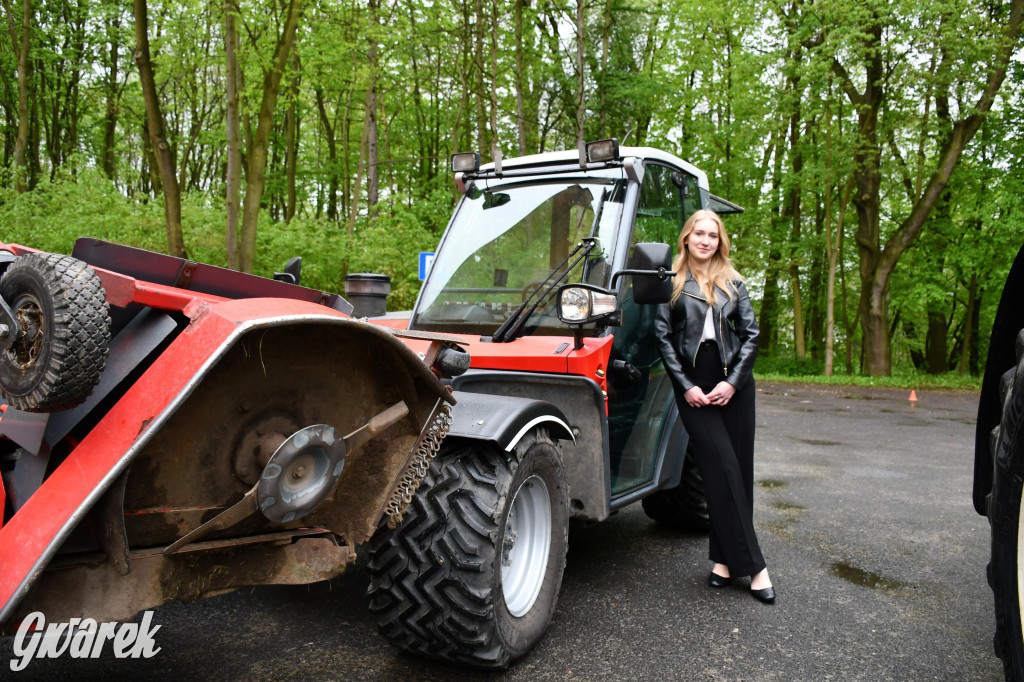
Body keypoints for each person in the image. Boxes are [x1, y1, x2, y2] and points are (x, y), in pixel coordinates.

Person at [654, 209, 775, 604]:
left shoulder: (734, 281)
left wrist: (733, 382)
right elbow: (663, 340)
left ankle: (723, 561)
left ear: (719, 241)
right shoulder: (670, 282)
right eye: (699, 233)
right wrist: (686, 386)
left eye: (713, 234)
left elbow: (752, 336)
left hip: (734, 382)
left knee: (738, 471)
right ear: (686, 238)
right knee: (719, 466)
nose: (706, 240)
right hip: (694, 383)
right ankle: (756, 567)